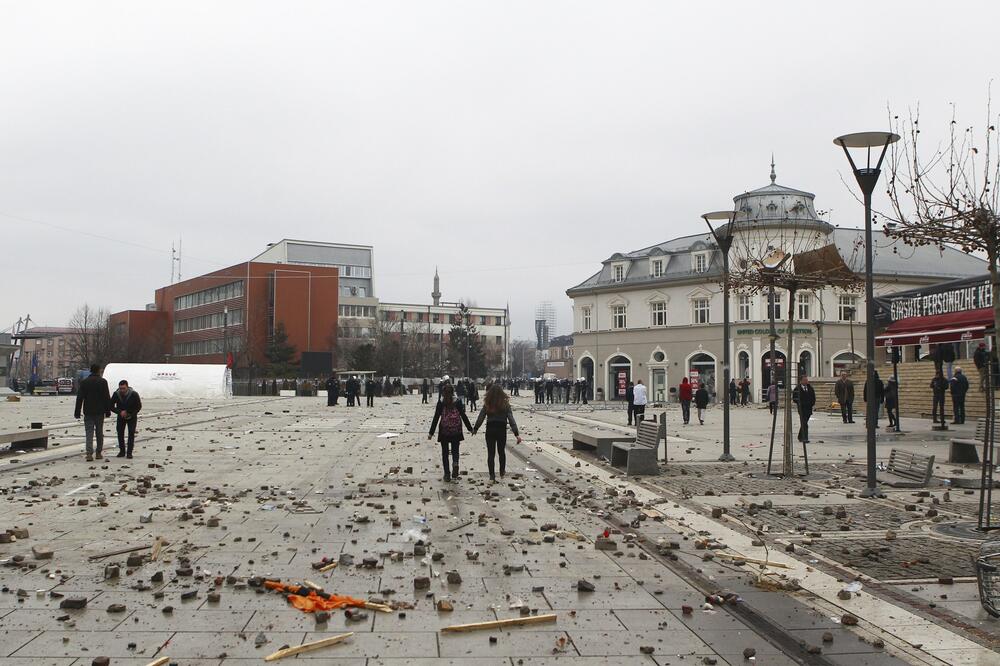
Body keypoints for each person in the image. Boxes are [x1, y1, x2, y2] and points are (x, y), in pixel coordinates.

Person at [472, 385, 523, 481]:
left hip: (490, 429)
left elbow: (481, 417)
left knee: (491, 453)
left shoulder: (488, 403)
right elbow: (511, 419)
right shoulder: (505, 404)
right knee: (501, 452)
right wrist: (516, 433)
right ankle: (502, 471)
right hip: (501, 430)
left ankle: (492, 475)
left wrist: (475, 428)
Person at [428, 383, 473, 481]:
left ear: (443, 392)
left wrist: (431, 432)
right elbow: (463, 415)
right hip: (456, 430)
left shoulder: (441, 402)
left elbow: (436, 417)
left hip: (444, 431)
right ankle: (455, 463)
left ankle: (447, 474)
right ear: (453, 392)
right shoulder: (457, 401)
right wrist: (470, 428)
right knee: (455, 450)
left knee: (445, 453)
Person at [74, 364, 111, 462]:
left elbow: (80, 398)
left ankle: (89, 454)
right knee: (99, 432)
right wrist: (108, 411)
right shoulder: (103, 382)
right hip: (100, 411)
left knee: (89, 433)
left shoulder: (84, 382)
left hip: (88, 411)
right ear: (99, 370)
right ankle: (98, 453)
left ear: (90, 371)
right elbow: (106, 397)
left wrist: (77, 412)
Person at [109, 379, 142, 458]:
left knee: (131, 433)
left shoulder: (134, 394)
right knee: (120, 433)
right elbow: (111, 406)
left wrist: (130, 414)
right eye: (120, 388)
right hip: (121, 416)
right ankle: (122, 451)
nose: (122, 390)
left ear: (127, 387)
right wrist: (119, 412)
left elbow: (138, 406)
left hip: (132, 417)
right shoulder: (116, 394)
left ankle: (129, 452)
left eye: (124, 388)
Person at [792, 375, 816, 443]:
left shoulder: (810, 388)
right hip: (802, 409)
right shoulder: (797, 389)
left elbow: (813, 397)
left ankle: (800, 436)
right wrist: (800, 403)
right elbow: (794, 399)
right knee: (804, 423)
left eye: (806, 380)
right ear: (801, 381)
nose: (806, 381)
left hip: (808, 408)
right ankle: (805, 438)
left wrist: (812, 403)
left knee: (804, 423)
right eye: (804, 380)